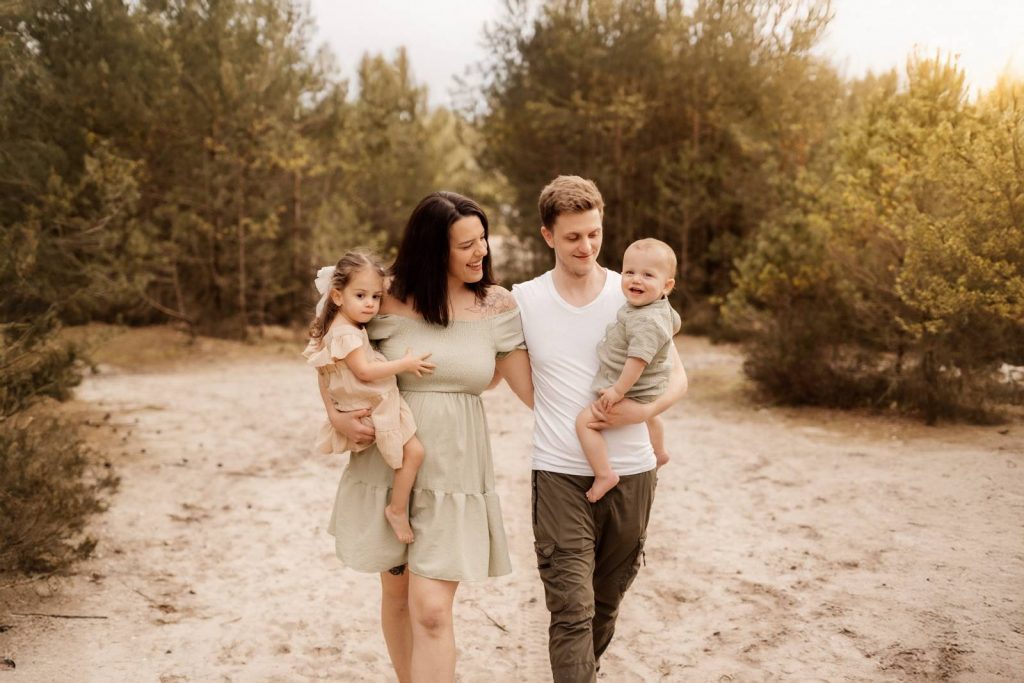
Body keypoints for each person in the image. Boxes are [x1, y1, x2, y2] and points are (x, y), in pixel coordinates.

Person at [320, 191, 533, 683]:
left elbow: (536, 392)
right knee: (396, 596)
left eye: (482, 239)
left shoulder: (496, 304)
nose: (480, 252)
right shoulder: (383, 295)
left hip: (456, 471)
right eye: (465, 245)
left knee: (432, 609)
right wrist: (334, 413)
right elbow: (327, 351)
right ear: (433, 249)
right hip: (388, 463)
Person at [511, 175, 687, 682]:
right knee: (572, 609)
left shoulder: (633, 288)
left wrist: (639, 413)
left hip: (633, 473)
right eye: (572, 236)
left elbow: (678, 378)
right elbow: (523, 387)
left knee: (606, 602)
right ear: (547, 235)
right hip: (560, 474)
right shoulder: (525, 300)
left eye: (594, 233)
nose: (586, 246)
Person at [304, 250, 435, 543]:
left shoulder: (341, 326)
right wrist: (406, 364)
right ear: (338, 297)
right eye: (360, 295)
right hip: (375, 403)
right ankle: (397, 509)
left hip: (371, 401)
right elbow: (363, 371)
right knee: (414, 453)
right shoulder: (346, 334)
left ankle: (397, 506)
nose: (370, 305)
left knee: (409, 454)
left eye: (375, 297)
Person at [575, 238, 681, 502]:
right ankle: (660, 451)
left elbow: (637, 360)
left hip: (633, 388)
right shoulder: (659, 309)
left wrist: (617, 390)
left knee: (585, 423)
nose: (636, 280)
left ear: (667, 286)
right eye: (629, 272)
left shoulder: (646, 320)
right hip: (649, 389)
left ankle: (603, 474)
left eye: (648, 275)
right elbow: (675, 324)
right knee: (651, 416)